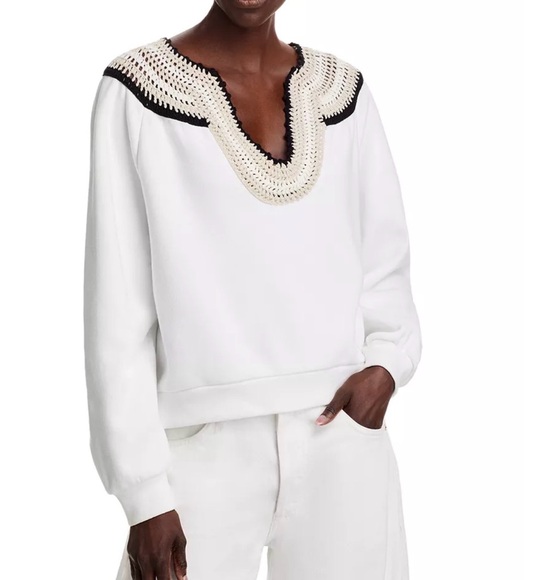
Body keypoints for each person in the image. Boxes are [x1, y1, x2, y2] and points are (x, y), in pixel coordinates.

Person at [83, 1, 423, 579]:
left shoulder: (343, 91)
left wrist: (388, 365)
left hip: (340, 433)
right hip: (199, 447)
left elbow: (383, 257)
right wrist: (143, 494)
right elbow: (116, 306)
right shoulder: (136, 91)